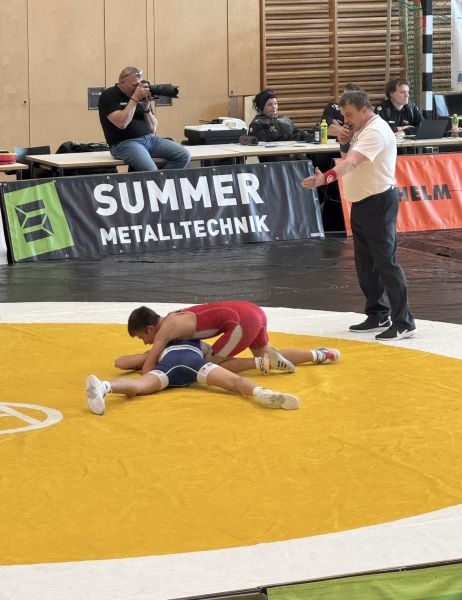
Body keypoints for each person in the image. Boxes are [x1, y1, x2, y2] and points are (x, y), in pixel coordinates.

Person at [301, 90, 416, 341]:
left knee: (386, 262)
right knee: (366, 264)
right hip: (362, 202)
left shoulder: (376, 131)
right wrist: (344, 142)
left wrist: (325, 178)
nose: (346, 120)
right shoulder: (361, 129)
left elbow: (351, 163)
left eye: (349, 114)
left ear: (365, 110)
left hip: (379, 202)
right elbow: (348, 158)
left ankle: (404, 321)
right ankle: (378, 313)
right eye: (344, 115)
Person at [86, 339, 301, 415]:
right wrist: (255, 363)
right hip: (196, 363)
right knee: (234, 382)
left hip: (168, 367)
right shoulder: (200, 343)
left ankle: (104, 386)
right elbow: (222, 362)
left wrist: (150, 355)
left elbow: (121, 362)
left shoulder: (162, 345)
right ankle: (261, 393)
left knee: (138, 386)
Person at [126, 301, 340, 374]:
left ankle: (263, 364)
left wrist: (143, 367)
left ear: (150, 329)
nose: (145, 342)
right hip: (253, 311)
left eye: (141, 337)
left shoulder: (165, 331)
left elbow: (148, 368)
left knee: (209, 364)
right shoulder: (174, 317)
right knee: (267, 352)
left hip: (241, 322)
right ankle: (321, 354)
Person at [98, 66, 190, 172]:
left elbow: (153, 128)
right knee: (151, 170)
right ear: (122, 82)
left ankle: (160, 180)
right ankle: (156, 179)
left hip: (150, 139)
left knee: (183, 155)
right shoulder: (109, 95)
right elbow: (122, 123)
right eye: (134, 85)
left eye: (139, 84)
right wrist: (135, 99)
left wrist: (146, 108)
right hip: (124, 144)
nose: (138, 88)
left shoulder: (140, 96)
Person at [247, 89, 311, 162]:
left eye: (275, 104)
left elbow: (296, 132)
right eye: (270, 105)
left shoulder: (284, 119)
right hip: (274, 160)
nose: (274, 107)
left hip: (292, 155)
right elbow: (264, 146)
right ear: (262, 107)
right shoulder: (257, 123)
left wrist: (308, 135)